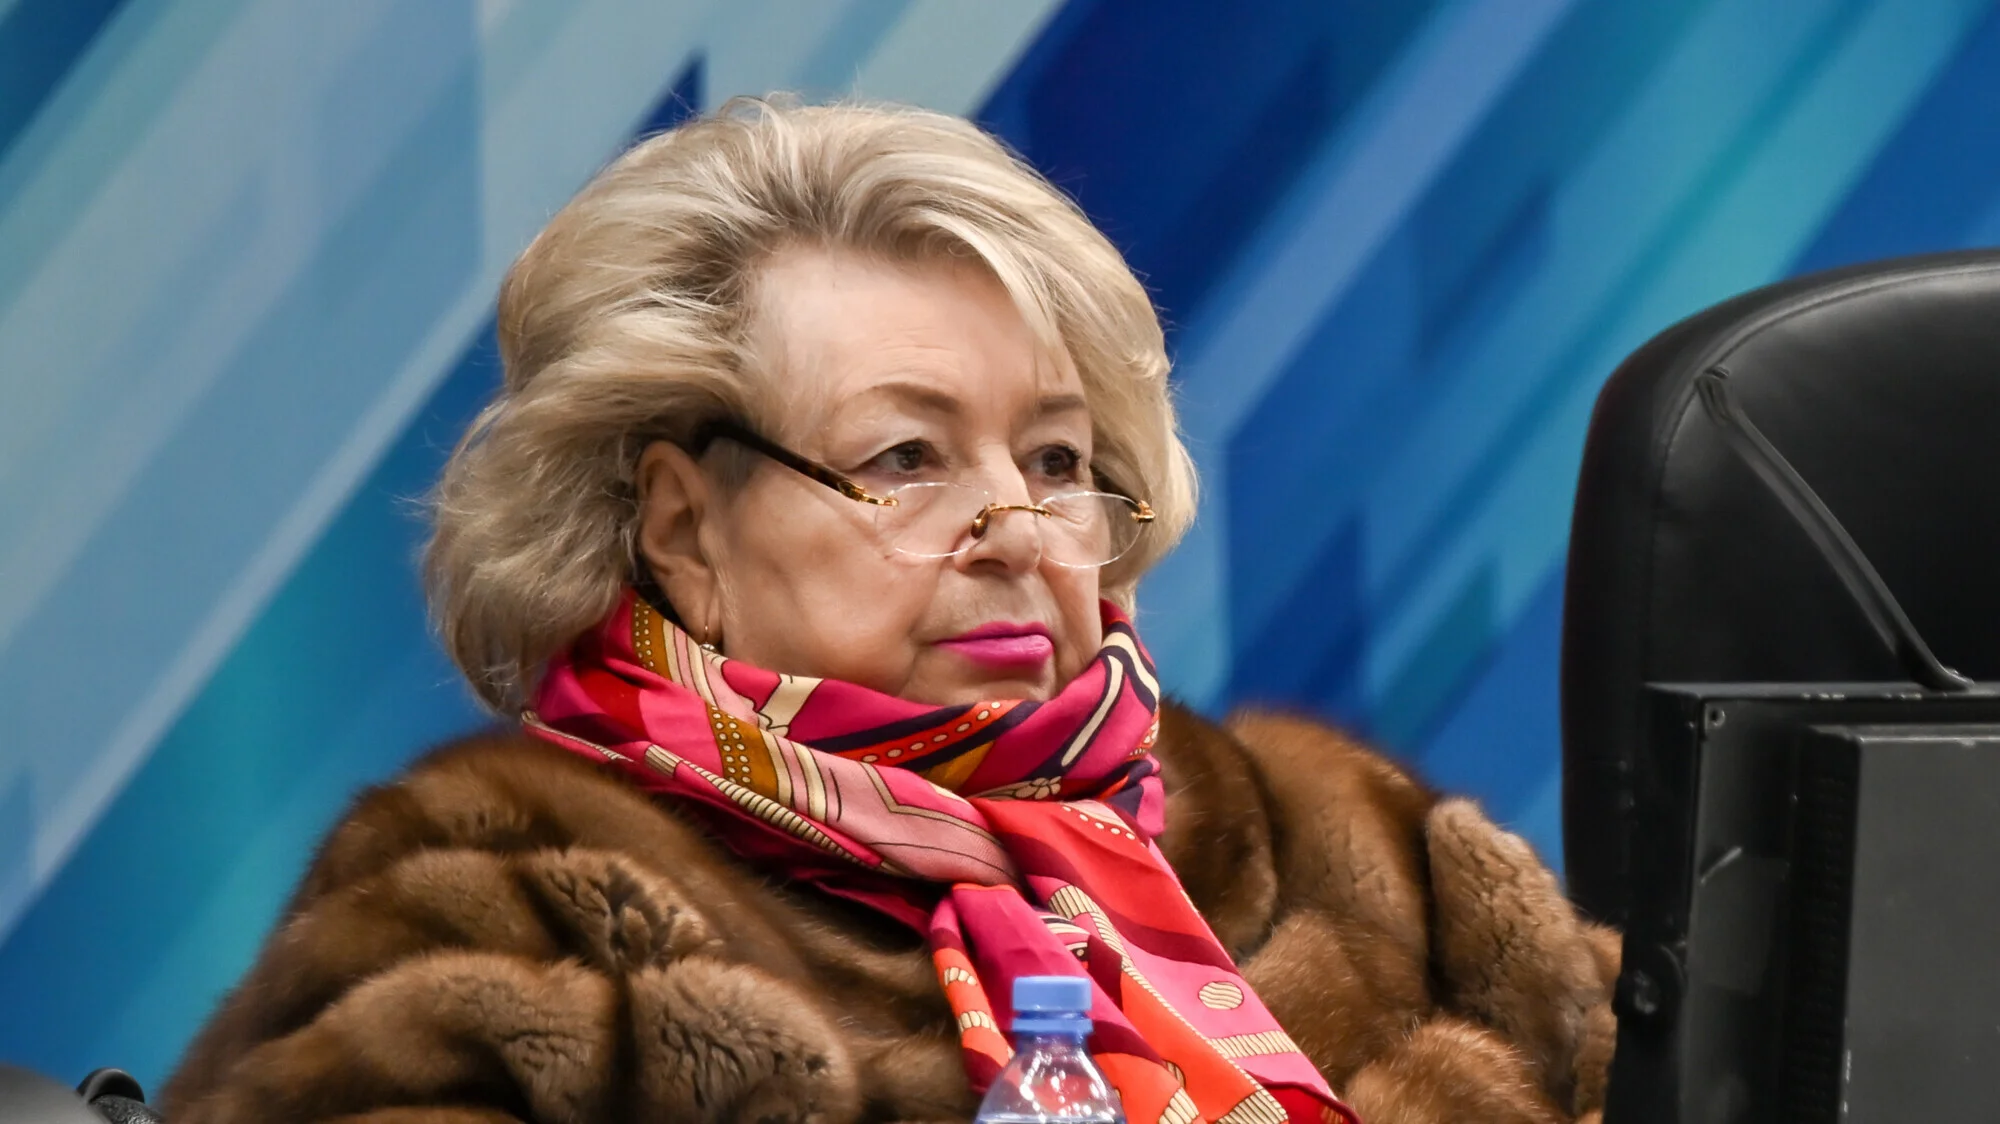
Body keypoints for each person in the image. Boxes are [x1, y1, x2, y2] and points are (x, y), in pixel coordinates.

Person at [162, 98, 1617, 1124]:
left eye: (1057, 460)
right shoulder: (498, 909)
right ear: (685, 528)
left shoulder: (1346, 845)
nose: (1018, 532)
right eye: (907, 458)